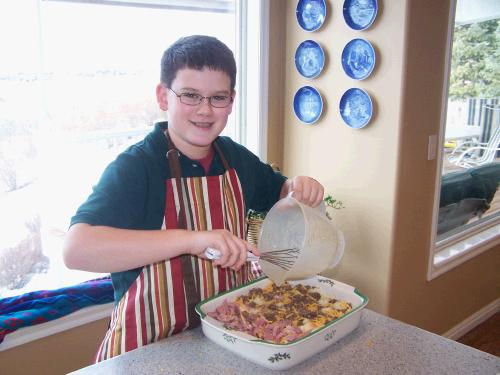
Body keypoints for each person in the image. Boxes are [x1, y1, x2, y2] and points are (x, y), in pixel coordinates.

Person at [62, 35, 324, 361]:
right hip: (147, 349)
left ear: (231, 101)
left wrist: (297, 187)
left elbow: (281, 193)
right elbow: (76, 250)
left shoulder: (236, 158)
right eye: (190, 95)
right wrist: (191, 240)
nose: (204, 109)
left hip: (227, 336)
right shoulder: (137, 166)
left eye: (218, 97)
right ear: (163, 96)